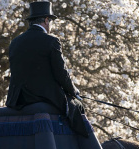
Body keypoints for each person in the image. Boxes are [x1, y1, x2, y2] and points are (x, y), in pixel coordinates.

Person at [5, 1, 88, 137]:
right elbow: (61, 73)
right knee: (77, 106)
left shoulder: (15, 42)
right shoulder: (51, 40)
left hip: (18, 99)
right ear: (46, 20)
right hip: (43, 97)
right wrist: (73, 91)